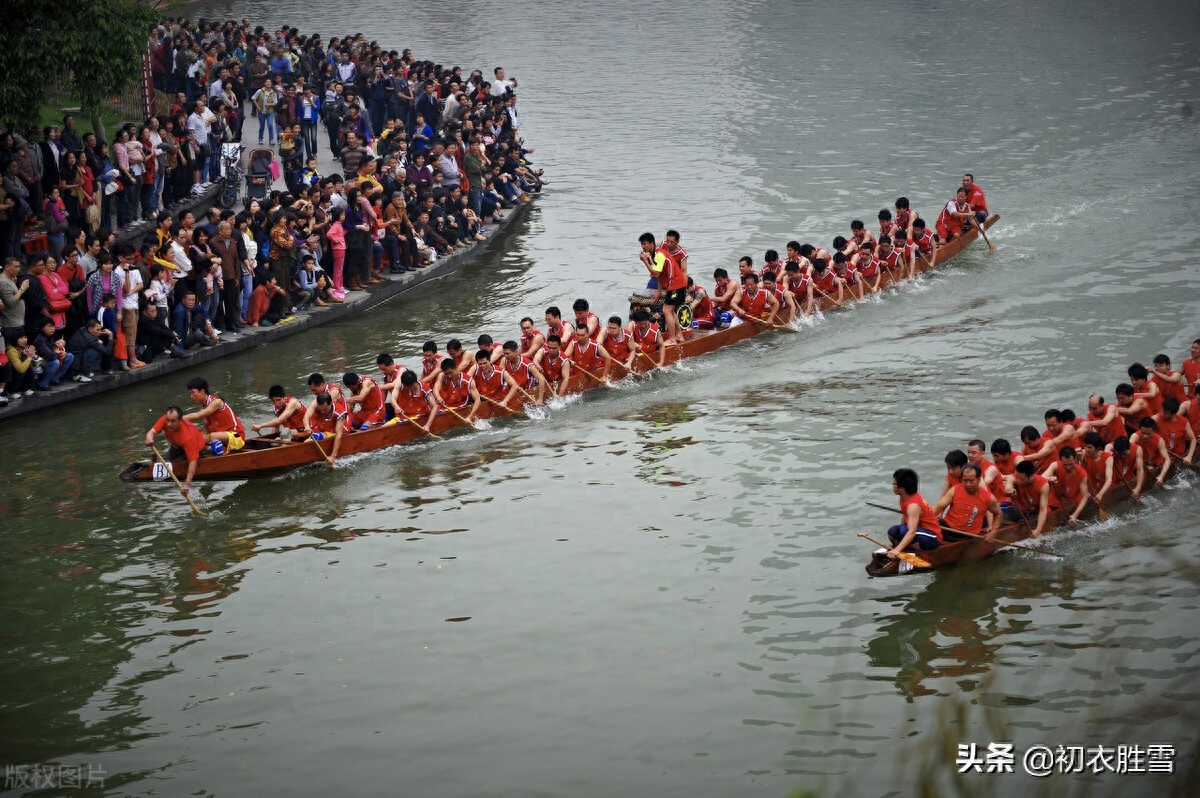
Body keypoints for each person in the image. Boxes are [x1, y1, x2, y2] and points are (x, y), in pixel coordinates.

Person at [143, 405, 206, 494]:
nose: (168, 424)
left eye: (173, 421)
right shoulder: (165, 419)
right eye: (168, 420)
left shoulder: (188, 437)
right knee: (165, 463)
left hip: (196, 450)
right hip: (176, 446)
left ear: (180, 421)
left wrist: (187, 484)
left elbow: (193, 461)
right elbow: (151, 432)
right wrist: (149, 438)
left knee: (177, 468)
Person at [932, 463, 1001, 538]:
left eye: (971, 481)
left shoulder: (988, 497)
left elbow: (998, 514)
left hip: (968, 534)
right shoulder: (955, 490)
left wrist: (994, 531)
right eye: (965, 480)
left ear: (978, 479)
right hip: (947, 527)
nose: (968, 484)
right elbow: (938, 508)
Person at [885, 468, 942, 558]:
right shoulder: (904, 497)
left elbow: (911, 531)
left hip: (933, 538)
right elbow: (905, 518)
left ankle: (918, 553)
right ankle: (906, 547)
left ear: (902, 488)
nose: (893, 485)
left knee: (905, 531)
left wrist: (897, 550)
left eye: (894, 483)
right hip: (919, 531)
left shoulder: (913, 506)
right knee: (892, 531)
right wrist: (898, 539)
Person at [184, 376, 246, 455]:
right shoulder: (204, 408)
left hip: (237, 436)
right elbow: (206, 429)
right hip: (223, 438)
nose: (191, 397)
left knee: (211, 436)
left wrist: (178, 418)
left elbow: (199, 414)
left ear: (202, 391)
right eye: (190, 394)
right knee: (197, 440)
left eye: (193, 393)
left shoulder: (217, 402)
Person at [656, 229, 689, 345]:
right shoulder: (662, 244)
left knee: (667, 310)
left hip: (676, 283)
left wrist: (684, 289)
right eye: (667, 241)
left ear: (677, 242)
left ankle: (672, 338)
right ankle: (679, 335)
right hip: (665, 279)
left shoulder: (682, 254)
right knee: (671, 310)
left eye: (672, 242)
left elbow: (684, 271)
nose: (669, 244)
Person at [1005, 460, 1053, 536]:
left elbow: (1043, 510)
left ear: (1031, 476)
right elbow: (1009, 482)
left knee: (1022, 524)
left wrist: (1038, 530)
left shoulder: (1043, 485)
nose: (1018, 480)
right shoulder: (1016, 477)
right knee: (1000, 508)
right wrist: (1009, 489)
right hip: (1021, 510)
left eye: (1021, 479)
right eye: (1017, 477)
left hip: (1036, 512)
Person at [1043, 446, 1090, 524]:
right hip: (1054, 503)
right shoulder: (1055, 465)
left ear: (1075, 459)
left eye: (1071, 464)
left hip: (1071, 505)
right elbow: (1042, 477)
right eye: (1064, 464)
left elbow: (1085, 497)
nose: (1068, 467)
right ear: (1060, 460)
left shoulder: (1082, 474)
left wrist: (1075, 515)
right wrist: (1049, 478)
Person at [303, 391, 349, 466]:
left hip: (338, 429)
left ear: (331, 403)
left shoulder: (341, 413)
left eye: (324, 409)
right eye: (320, 409)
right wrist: (307, 427)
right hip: (324, 425)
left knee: (315, 437)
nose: (321, 411)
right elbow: (306, 417)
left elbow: (338, 436)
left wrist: (333, 456)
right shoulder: (315, 403)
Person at [32, 318, 74, 389]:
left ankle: (54, 378)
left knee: (70, 356)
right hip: (39, 364)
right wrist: (57, 354)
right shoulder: (40, 339)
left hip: (50, 359)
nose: (52, 329)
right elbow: (49, 355)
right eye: (49, 326)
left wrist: (63, 352)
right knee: (55, 362)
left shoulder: (51, 336)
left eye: (53, 326)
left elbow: (55, 350)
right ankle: (43, 383)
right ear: (43, 328)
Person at [499, 340, 546, 404]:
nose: (505, 356)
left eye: (507, 353)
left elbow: (541, 379)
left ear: (516, 352)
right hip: (512, 389)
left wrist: (540, 399)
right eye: (504, 354)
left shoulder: (528, 365)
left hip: (525, 391)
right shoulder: (504, 360)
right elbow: (500, 377)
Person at [1152, 397, 1196, 462]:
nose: (1162, 414)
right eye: (1162, 411)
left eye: (1166, 413)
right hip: (1160, 456)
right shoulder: (1156, 418)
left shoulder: (1184, 422)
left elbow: (1193, 439)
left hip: (1178, 457)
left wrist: (1189, 456)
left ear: (1174, 413)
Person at [1080, 432, 1115, 510]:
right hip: (1091, 491)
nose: (1086, 449)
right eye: (1085, 446)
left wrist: (1100, 494)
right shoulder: (1083, 456)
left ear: (1097, 448)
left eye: (1089, 447)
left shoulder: (1108, 457)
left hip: (1104, 490)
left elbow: (1109, 480)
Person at [534, 334, 573, 398]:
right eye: (549, 347)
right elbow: (535, 360)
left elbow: (565, 379)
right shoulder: (542, 351)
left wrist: (559, 396)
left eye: (554, 348)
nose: (551, 350)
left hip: (556, 383)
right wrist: (537, 366)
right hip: (543, 380)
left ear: (559, 346)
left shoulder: (565, 361)